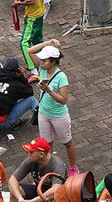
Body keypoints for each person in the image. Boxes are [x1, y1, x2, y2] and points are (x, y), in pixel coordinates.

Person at [26, 39, 77, 176]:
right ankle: (48, 169)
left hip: (58, 115)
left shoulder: (61, 77)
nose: (41, 63)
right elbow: (30, 51)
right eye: (41, 61)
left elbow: (63, 100)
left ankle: (73, 168)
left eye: (44, 61)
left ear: (53, 61)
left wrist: (48, 90)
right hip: (43, 113)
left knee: (67, 142)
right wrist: (47, 43)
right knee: (46, 145)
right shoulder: (42, 69)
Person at [8, 137, 68, 202]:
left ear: (41, 154)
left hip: (58, 194)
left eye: (31, 152)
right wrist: (20, 198)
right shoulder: (30, 161)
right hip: (39, 190)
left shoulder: (57, 165)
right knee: (14, 191)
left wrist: (33, 201)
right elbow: (12, 180)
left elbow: (55, 190)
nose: (28, 155)